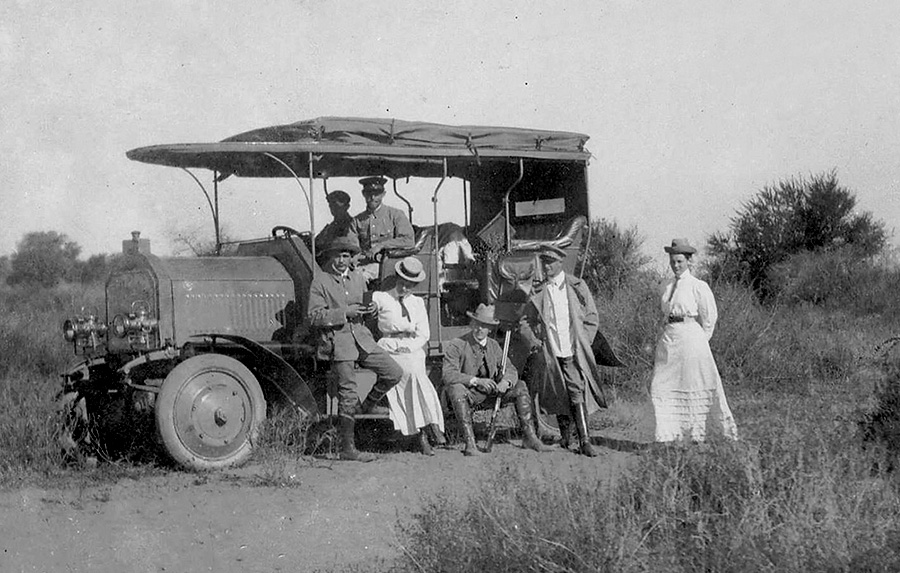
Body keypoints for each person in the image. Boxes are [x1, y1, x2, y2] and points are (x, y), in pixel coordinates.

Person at [307, 235, 405, 462]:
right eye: (338, 256)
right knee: (348, 394)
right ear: (330, 257)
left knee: (394, 372)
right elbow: (313, 316)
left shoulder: (357, 278)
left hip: (362, 338)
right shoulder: (320, 281)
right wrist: (343, 313)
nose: (342, 261)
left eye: (346, 256)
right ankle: (347, 449)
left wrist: (369, 310)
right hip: (339, 342)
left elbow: (363, 307)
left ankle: (368, 405)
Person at [518, 244, 620, 457]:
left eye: (550, 263)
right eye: (544, 263)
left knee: (576, 388)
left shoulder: (576, 286)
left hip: (572, 349)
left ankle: (585, 441)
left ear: (560, 263)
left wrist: (585, 340)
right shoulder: (539, 291)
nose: (546, 267)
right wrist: (535, 342)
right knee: (557, 390)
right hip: (551, 351)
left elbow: (592, 317)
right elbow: (525, 321)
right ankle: (566, 438)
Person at [649, 238, 738, 443]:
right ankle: (668, 435)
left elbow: (709, 318)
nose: (676, 265)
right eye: (673, 261)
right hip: (670, 339)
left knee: (694, 385)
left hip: (691, 338)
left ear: (689, 261)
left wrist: (700, 343)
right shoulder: (665, 285)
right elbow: (664, 313)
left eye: (680, 261)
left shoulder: (698, 286)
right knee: (660, 386)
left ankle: (698, 435)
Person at [443, 304, 548, 456]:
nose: (480, 329)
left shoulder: (494, 346)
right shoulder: (457, 344)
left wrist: (505, 383)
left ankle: (530, 437)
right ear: (472, 324)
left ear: (490, 329)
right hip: (470, 395)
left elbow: (511, 370)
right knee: (456, 389)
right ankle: (470, 443)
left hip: (493, 394)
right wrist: (476, 381)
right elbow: (448, 374)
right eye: (477, 324)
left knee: (520, 386)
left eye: (484, 326)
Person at [371, 257, 445, 455]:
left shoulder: (417, 303)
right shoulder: (380, 298)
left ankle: (423, 430)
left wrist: (409, 346)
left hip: (412, 348)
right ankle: (429, 428)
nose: (406, 288)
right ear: (397, 278)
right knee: (412, 374)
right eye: (403, 283)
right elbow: (368, 313)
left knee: (416, 372)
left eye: (411, 285)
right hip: (389, 346)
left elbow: (424, 334)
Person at [351, 176, 415, 281]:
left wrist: (381, 245)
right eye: (369, 194)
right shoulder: (357, 220)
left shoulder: (395, 215)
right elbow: (352, 246)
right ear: (363, 194)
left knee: (358, 279)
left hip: (388, 265)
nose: (372, 197)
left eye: (376, 194)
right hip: (363, 264)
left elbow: (409, 241)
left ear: (383, 194)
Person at [314, 190, 355, 260]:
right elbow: (316, 243)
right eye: (331, 206)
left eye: (337, 206)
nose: (333, 209)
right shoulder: (330, 227)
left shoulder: (352, 225)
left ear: (347, 207)